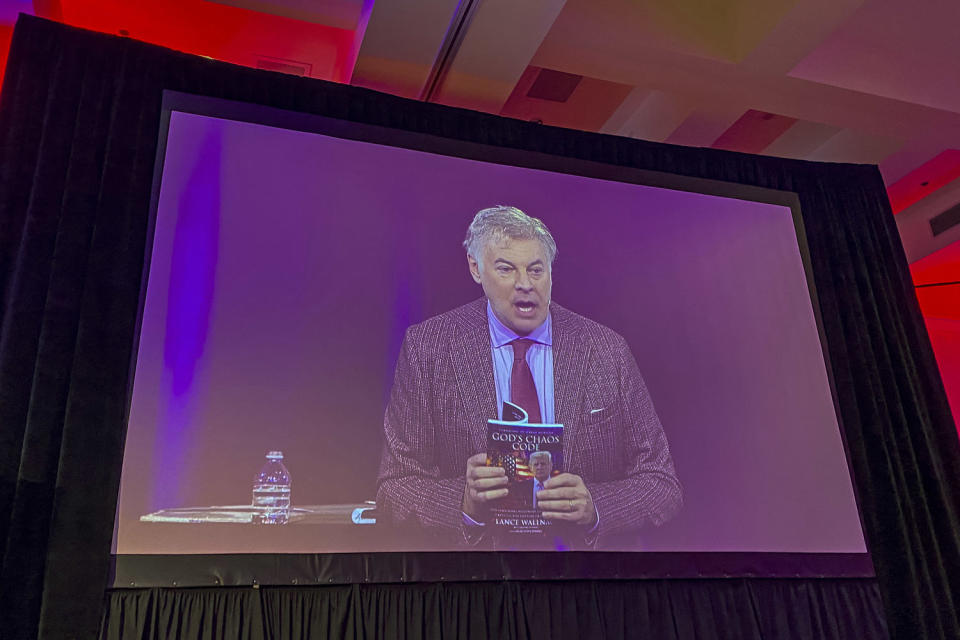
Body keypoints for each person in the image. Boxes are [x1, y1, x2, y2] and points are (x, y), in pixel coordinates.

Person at [376, 206, 682, 549]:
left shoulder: (606, 350)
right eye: (506, 268)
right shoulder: (429, 348)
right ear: (475, 268)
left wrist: (595, 507)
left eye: (536, 269)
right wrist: (464, 503)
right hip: (478, 581)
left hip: (587, 580)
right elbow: (396, 486)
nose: (525, 284)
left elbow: (661, 483)